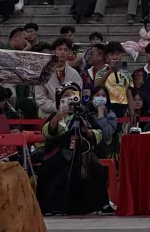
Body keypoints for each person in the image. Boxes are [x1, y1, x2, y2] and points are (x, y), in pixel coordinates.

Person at [35, 88, 112, 216]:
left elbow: (99, 134)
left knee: (96, 168)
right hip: (59, 152)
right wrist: (55, 120)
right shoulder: (55, 116)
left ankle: (100, 204)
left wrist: (87, 132)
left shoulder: (85, 115)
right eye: (66, 95)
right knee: (54, 168)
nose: (70, 98)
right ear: (60, 99)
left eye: (73, 95)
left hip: (82, 153)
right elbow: (46, 133)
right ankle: (53, 206)